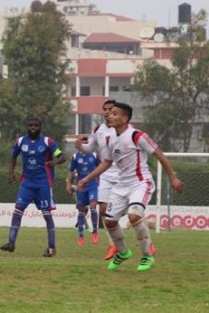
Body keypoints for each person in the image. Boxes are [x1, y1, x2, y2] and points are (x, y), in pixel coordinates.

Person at [78, 102, 184, 271]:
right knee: (109, 221)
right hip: (121, 186)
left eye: (114, 113)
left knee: (134, 216)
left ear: (124, 118)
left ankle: (147, 256)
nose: (109, 116)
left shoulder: (137, 136)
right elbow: (107, 162)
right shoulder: (109, 138)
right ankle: (123, 252)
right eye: (109, 113)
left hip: (140, 183)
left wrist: (173, 178)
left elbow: (160, 155)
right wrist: (87, 178)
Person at [0, 117, 66, 257]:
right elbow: (13, 156)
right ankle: (11, 243)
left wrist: (54, 162)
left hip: (43, 184)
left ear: (40, 127)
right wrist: (11, 173)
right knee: (17, 211)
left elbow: (62, 157)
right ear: (27, 127)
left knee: (47, 216)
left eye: (36, 125)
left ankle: (51, 248)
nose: (33, 128)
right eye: (30, 125)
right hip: (27, 184)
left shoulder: (47, 142)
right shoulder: (21, 141)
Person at [75, 99, 124, 259]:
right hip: (106, 174)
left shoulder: (125, 129)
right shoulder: (98, 130)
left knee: (132, 212)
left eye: (111, 109)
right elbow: (91, 147)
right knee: (103, 209)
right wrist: (81, 146)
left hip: (125, 174)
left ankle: (146, 242)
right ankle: (113, 245)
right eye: (105, 109)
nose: (107, 112)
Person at [66, 149, 100, 246]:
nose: (84, 144)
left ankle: (94, 232)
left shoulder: (94, 155)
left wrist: (99, 180)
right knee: (81, 210)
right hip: (81, 186)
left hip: (92, 185)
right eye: (82, 142)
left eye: (86, 142)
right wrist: (68, 184)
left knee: (93, 205)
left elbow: (101, 167)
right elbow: (71, 171)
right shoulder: (75, 156)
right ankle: (81, 236)